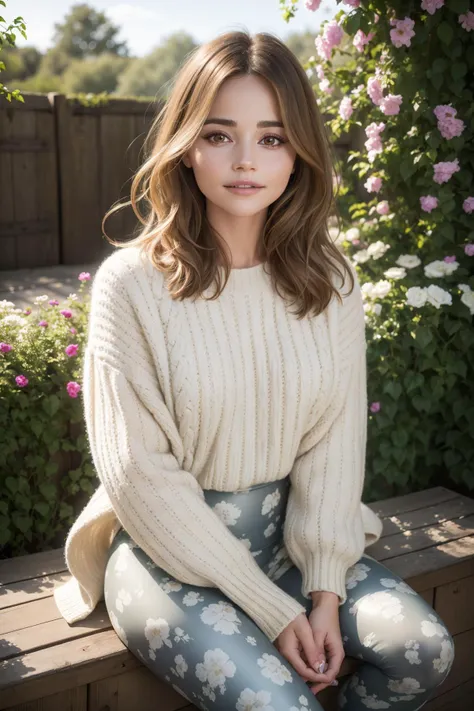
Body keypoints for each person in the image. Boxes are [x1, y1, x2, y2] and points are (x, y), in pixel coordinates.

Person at [54, 30, 455, 711]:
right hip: (164, 555)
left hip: (291, 548)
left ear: (299, 151)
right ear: (186, 145)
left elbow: (333, 447)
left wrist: (323, 593)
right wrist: (273, 610)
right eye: (219, 135)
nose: (246, 160)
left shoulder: (331, 281)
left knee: (428, 652)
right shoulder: (131, 285)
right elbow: (140, 478)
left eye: (271, 137)